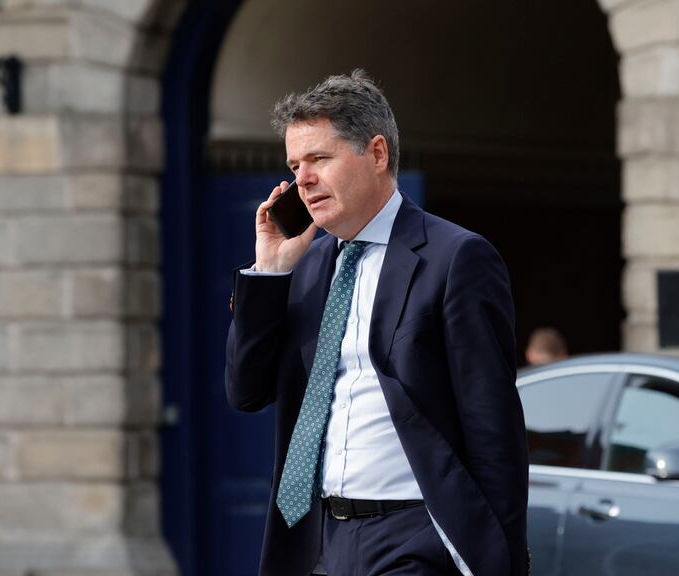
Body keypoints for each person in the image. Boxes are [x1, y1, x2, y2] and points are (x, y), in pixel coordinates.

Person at [225, 70, 528, 576]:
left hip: (415, 537)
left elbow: (494, 427)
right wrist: (269, 272)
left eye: (319, 158)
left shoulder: (456, 259)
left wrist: (500, 560)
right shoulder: (307, 269)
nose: (302, 179)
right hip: (317, 540)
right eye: (295, 165)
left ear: (378, 154)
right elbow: (246, 391)